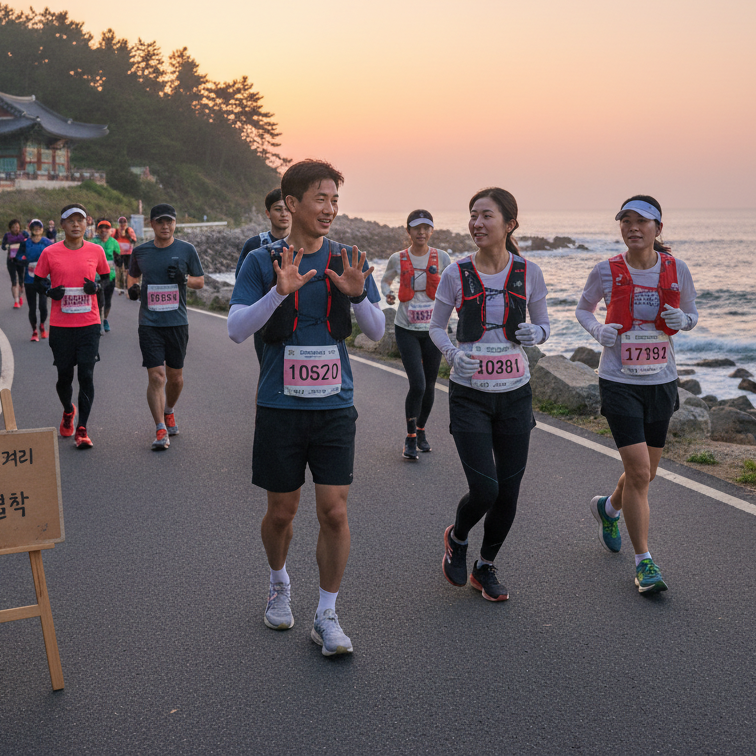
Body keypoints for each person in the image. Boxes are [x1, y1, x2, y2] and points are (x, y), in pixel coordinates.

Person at [227, 159, 385, 657]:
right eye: (321, 198)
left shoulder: (348, 258)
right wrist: (279, 291)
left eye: (335, 199)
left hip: (336, 403)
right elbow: (235, 329)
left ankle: (327, 613)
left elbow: (378, 332)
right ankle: (279, 583)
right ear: (291, 204)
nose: (330, 209)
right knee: (281, 511)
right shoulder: (261, 260)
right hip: (280, 405)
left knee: (334, 511)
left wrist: (358, 296)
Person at [429, 188, 550, 602]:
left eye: (486, 216)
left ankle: (486, 566)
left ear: (510, 224)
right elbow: (435, 326)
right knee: (486, 488)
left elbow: (545, 325)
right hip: (469, 396)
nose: (477, 223)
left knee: (509, 492)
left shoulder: (529, 272)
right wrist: (450, 354)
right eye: (473, 216)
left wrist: (538, 333)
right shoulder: (455, 273)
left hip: (515, 394)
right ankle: (457, 538)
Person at [576, 195, 698, 595]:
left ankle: (608, 508)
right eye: (625, 221)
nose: (632, 227)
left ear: (658, 229)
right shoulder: (606, 271)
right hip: (618, 381)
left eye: (641, 221)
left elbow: (692, 316)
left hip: (661, 382)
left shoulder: (677, 269)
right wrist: (599, 332)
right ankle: (644, 562)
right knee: (641, 472)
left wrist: (685, 320)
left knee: (644, 475)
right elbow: (584, 310)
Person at [33, 202, 111, 449]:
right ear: (62, 225)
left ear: (87, 223)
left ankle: (82, 429)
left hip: (89, 323)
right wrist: (49, 291)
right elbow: (37, 281)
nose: (76, 224)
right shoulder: (50, 252)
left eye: (80, 220)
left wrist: (96, 288)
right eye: (70, 220)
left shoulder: (96, 251)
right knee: (64, 376)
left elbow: (107, 279)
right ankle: (68, 410)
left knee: (86, 375)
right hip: (61, 324)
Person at [127, 204, 204, 450]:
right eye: (160, 222)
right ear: (152, 224)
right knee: (156, 376)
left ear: (175, 223)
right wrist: (132, 288)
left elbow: (200, 282)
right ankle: (160, 428)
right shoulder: (141, 252)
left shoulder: (186, 250)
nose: (165, 226)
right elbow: (132, 276)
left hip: (177, 323)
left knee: (175, 378)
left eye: (169, 221)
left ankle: (169, 409)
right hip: (149, 323)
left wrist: (183, 278)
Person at [380, 210, 453, 460]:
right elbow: (386, 281)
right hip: (406, 329)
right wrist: (387, 294)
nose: (421, 232)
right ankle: (410, 437)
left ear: (431, 231)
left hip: (434, 330)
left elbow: (455, 285)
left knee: (430, 384)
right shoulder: (398, 258)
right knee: (418, 384)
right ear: (408, 231)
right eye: (416, 228)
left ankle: (421, 430)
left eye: (426, 228)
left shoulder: (442, 257)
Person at [234, 188, 292, 364]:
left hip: (295, 318)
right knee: (268, 372)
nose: (284, 214)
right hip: (264, 322)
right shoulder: (254, 245)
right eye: (278, 209)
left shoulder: (303, 244)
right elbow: (242, 283)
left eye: (288, 209)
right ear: (267, 213)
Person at [16, 219, 54, 342]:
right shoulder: (25, 243)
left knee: (43, 305)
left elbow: (55, 256)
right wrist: (22, 261)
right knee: (32, 307)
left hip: (43, 279)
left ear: (42, 229)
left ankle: (42, 325)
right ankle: (34, 331)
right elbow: (18, 256)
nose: (36, 229)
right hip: (29, 279)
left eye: (39, 227)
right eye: (34, 227)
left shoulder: (47, 242)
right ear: (30, 229)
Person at [94, 220, 121, 332]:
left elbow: (119, 262)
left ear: (110, 231)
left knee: (107, 300)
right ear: (98, 230)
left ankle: (104, 319)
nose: (104, 230)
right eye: (101, 228)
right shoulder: (92, 242)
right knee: (96, 301)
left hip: (110, 277)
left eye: (107, 228)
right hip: (95, 278)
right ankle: (96, 321)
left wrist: (119, 259)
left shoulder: (114, 243)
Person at [1, 220, 28, 308]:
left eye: (17, 227)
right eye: (13, 227)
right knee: (14, 281)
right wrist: (7, 246)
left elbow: (30, 241)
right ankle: (16, 301)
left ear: (19, 227)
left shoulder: (23, 234)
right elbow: (3, 246)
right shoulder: (7, 235)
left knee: (21, 281)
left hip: (21, 260)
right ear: (10, 228)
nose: (15, 229)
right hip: (11, 260)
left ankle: (19, 296)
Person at [113, 216, 137, 295]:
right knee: (119, 271)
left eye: (124, 222)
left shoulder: (129, 230)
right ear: (119, 223)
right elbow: (111, 241)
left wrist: (128, 235)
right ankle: (120, 288)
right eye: (121, 222)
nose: (122, 224)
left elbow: (134, 240)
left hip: (128, 253)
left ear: (126, 223)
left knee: (127, 271)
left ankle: (127, 288)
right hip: (118, 253)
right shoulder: (116, 231)